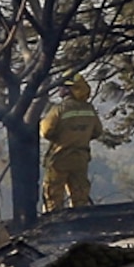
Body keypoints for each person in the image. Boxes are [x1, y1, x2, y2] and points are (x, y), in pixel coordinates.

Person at [37, 76, 107, 212]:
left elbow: (45, 131)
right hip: (81, 158)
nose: (59, 89)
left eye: (62, 86)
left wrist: (61, 136)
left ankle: (54, 222)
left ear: (69, 89)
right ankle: (80, 220)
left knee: (53, 195)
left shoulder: (59, 109)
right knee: (80, 195)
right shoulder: (89, 109)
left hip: (59, 158)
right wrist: (81, 136)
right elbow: (97, 131)